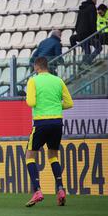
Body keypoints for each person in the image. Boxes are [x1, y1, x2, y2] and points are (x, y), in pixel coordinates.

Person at [24, 57, 74, 207]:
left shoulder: (33, 81)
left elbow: (31, 102)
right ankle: (60, 189)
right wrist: (55, 107)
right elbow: (69, 103)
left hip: (41, 122)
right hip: (57, 122)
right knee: (53, 155)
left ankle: (37, 190)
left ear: (36, 67)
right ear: (47, 67)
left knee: (29, 155)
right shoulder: (58, 80)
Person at [70, 0, 102, 66]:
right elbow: (92, 21)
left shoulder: (82, 8)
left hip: (80, 33)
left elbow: (77, 22)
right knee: (99, 47)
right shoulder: (92, 7)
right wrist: (95, 33)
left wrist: (78, 31)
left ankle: (84, 64)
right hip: (88, 33)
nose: (96, 0)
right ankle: (86, 62)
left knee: (87, 50)